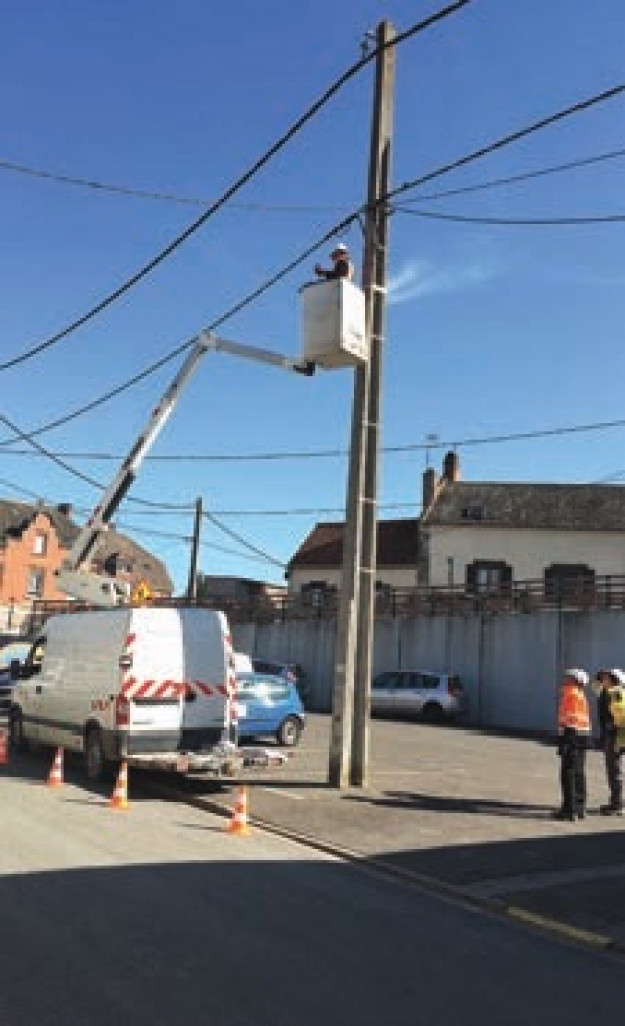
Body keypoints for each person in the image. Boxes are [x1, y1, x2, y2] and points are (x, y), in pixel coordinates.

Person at [554, 668, 591, 821]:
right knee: (579, 772)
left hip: (572, 736)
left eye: (569, 676)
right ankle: (580, 807)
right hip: (582, 737)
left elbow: (570, 719)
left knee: (568, 773)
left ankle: (569, 810)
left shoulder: (571, 694)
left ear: (576, 680)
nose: (565, 678)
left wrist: (566, 739)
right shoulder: (581, 695)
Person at [593, 668, 625, 816]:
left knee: (614, 769)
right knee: (613, 768)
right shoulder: (607, 692)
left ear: (613, 679)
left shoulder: (616, 692)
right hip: (611, 734)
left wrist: (613, 726)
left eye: (606, 677)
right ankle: (616, 801)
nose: (602, 680)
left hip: (616, 735)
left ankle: (617, 804)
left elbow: (621, 713)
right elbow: (595, 686)